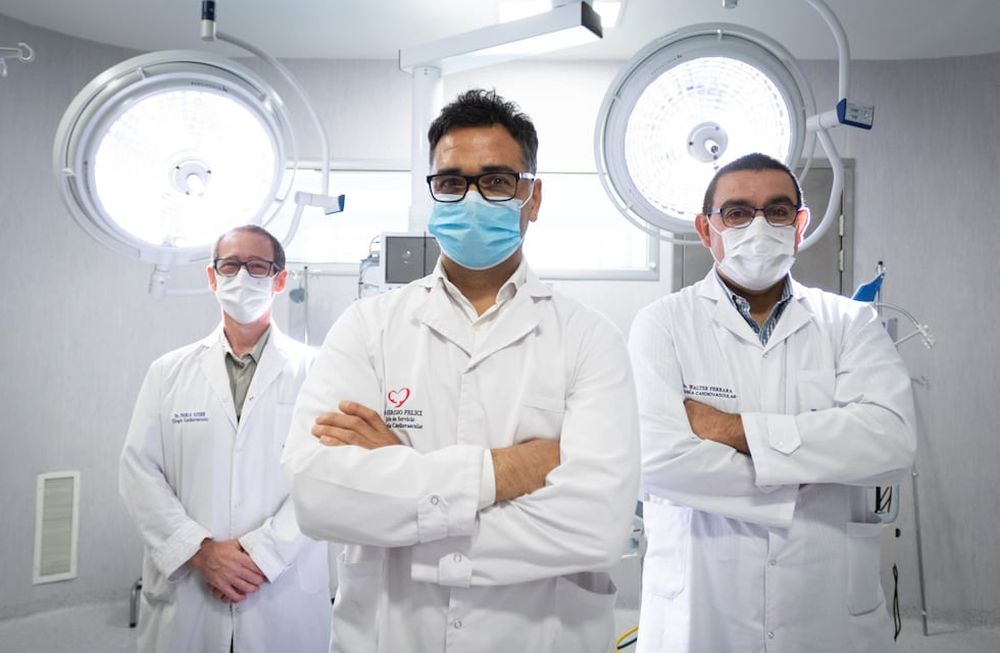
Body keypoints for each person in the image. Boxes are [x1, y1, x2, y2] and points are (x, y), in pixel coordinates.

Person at [281, 89, 639, 652]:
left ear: (533, 197)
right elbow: (317, 494)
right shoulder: (366, 327)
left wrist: (397, 485)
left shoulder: (591, 339)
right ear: (433, 194)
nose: (471, 197)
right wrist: (508, 471)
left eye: (496, 181)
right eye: (451, 182)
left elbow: (596, 526)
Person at [628, 152, 917, 652]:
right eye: (737, 213)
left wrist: (731, 429)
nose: (758, 226)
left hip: (825, 605)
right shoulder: (663, 324)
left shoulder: (850, 323)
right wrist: (816, 464)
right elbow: (655, 459)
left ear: (800, 225)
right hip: (701, 605)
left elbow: (890, 443)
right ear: (706, 229)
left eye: (777, 211)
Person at [119, 225, 331, 652]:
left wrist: (261, 555)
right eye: (231, 266)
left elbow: (327, 477)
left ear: (280, 279)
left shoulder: (319, 371)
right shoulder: (168, 372)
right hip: (191, 582)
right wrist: (199, 551)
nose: (243, 278)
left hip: (280, 583)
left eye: (257, 267)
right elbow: (139, 471)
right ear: (212, 278)